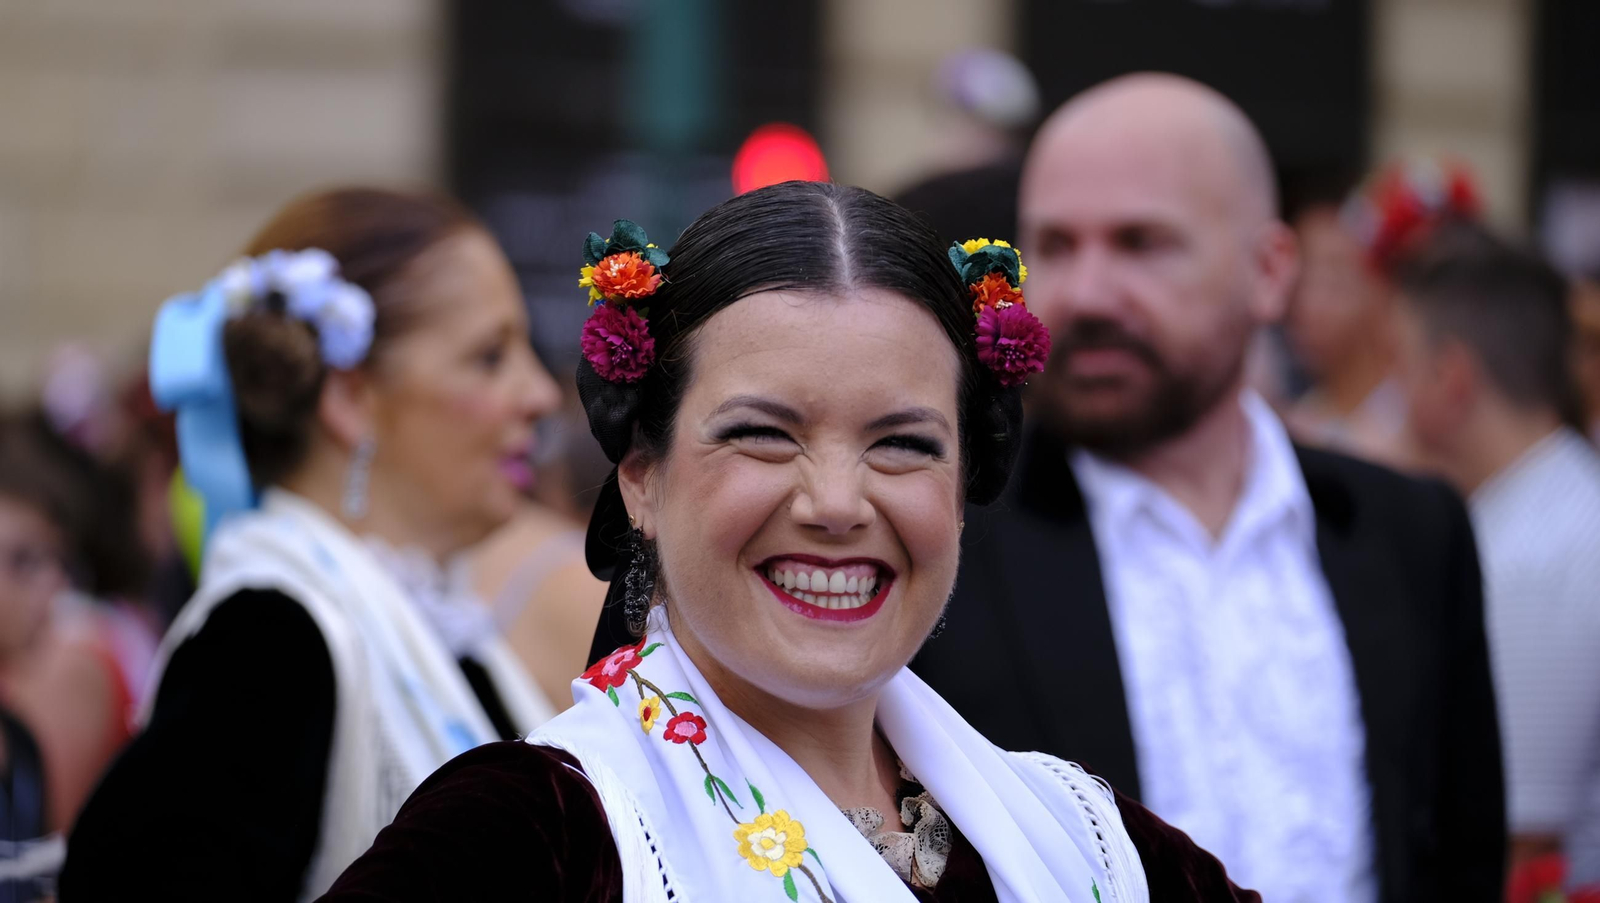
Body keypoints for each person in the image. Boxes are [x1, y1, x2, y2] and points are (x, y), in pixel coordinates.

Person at [319, 181, 1257, 902]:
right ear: (641, 474)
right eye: (763, 434)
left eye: (902, 443)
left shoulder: (1081, 838)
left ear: (964, 481)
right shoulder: (540, 833)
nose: (837, 503)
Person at [912, 74, 1505, 903]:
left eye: (1141, 243)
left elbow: (1464, 854)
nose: (1085, 293)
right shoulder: (948, 536)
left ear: (1269, 271)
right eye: (1054, 246)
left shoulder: (1409, 531)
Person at [59, 188, 564, 901]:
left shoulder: (440, 629)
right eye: (489, 356)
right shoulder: (271, 641)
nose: (540, 395)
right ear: (350, 398)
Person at [1391, 224, 1600, 899]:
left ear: (1450, 376)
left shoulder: (1533, 556)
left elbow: (1518, 848)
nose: (1393, 394)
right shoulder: (1541, 510)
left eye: (1401, 363)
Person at [1283, 159, 1482, 464]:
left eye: (1335, 281)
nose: (1308, 305)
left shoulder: (1421, 418)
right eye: (1301, 280)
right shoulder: (1297, 419)